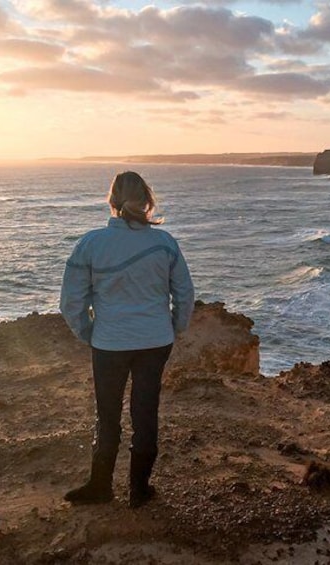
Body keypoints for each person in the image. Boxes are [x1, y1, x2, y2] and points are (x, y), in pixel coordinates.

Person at [59, 171, 195, 508]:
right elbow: (185, 293)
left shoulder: (91, 244)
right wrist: (175, 327)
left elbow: (71, 301)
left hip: (109, 343)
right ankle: (139, 490)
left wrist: (87, 331)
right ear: (146, 200)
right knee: (145, 412)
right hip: (155, 341)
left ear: (113, 201)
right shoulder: (164, 243)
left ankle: (100, 487)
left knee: (108, 415)